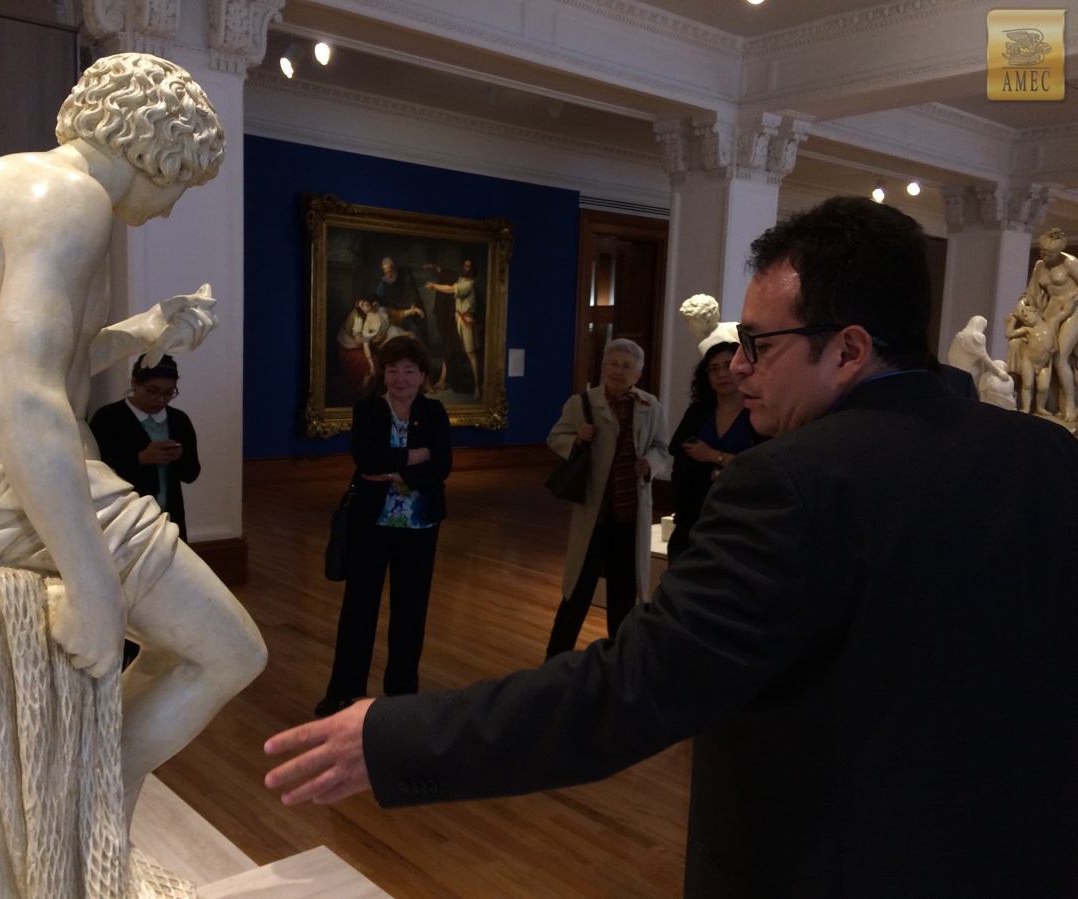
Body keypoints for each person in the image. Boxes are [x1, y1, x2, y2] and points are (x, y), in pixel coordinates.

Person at [263, 196, 1078, 897]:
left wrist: (395, 737)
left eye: (759, 344)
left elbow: (633, 686)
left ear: (850, 349)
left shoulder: (790, 480)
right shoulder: (1049, 458)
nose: (739, 367)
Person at [0, 52, 266, 823]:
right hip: (14, 493)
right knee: (232, 650)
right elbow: (28, 395)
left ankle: (87, 819)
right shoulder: (73, 201)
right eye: (180, 184)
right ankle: (82, 816)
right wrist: (91, 580)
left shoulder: (5, 184)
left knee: (205, 647)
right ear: (157, 149)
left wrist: (144, 330)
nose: (169, 209)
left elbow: (32, 357)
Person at [315, 335, 452, 718]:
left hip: (419, 525)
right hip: (371, 523)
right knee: (358, 608)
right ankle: (343, 691)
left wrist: (392, 470)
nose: (400, 378)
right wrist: (414, 456)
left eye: (409, 371)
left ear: (422, 375)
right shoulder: (368, 409)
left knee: (411, 610)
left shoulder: (434, 412)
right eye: (393, 370)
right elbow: (366, 459)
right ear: (384, 373)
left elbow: (441, 465)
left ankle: (402, 692)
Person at [543, 338, 668, 659]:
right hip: (593, 514)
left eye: (627, 366)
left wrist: (650, 464)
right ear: (602, 368)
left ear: (638, 374)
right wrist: (577, 439)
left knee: (623, 595)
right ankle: (555, 661)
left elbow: (661, 448)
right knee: (577, 591)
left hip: (629, 515)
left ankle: (620, 660)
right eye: (613, 364)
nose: (618, 371)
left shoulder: (650, 406)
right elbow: (555, 437)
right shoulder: (581, 403)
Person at [89, 354, 201, 542]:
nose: (160, 399)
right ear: (134, 383)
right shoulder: (108, 418)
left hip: (169, 516)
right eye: (152, 391)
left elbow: (191, 474)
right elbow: (96, 473)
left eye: (168, 393)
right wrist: (141, 458)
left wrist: (180, 456)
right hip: (124, 518)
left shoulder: (179, 420)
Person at [666, 335, 758, 562]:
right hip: (691, 519)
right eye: (714, 369)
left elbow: (760, 467)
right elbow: (680, 456)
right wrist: (726, 466)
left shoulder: (758, 413)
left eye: (728, 366)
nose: (721, 374)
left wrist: (713, 456)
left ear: (743, 368)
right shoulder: (698, 412)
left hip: (740, 523)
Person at [1025, 228, 1078, 419]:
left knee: (1060, 357)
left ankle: (1070, 405)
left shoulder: (1070, 263)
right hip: (1050, 311)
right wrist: (1023, 304)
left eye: (1049, 253)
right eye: (1042, 252)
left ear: (1058, 251)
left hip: (1073, 310)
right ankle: (1047, 405)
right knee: (1045, 355)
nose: (1044, 256)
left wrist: (1071, 303)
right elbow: (1031, 292)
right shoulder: (1040, 265)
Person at [425, 258, 482, 398]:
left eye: (468, 266)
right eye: (465, 265)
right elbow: (450, 275)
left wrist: (435, 286)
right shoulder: (462, 280)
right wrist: (436, 267)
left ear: (473, 269)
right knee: (450, 348)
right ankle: (442, 380)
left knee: (470, 353)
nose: (465, 268)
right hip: (457, 319)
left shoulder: (469, 284)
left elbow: (451, 288)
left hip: (466, 321)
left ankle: (477, 387)